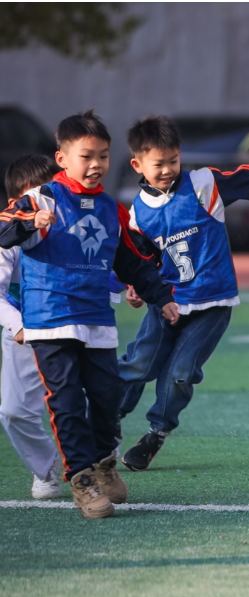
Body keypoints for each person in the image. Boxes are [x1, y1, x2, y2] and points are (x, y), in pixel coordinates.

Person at [0, 110, 178, 519]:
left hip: (96, 319)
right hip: (49, 320)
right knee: (65, 402)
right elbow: (5, 227)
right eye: (86, 156)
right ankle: (81, 480)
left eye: (103, 156)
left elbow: (131, 260)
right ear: (62, 158)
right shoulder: (41, 198)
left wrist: (159, 295)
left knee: (106, 398)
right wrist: (30, 221)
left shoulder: (111, 209)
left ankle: (102, 461)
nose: (96, 165)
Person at [116, 116, 249, 472]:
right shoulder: (137, 214)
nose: (167, 169)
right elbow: (140, 259)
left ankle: (156, 433)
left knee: (179, 373)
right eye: (158, 164)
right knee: (139, 364)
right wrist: (136, 288)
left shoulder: (203, 184)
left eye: (173, 160)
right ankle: (105, 422)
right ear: (137, 165)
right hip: (168, 304)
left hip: (213, 304)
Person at [0, 155, 64, 499]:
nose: (44, 204)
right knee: (12, 411)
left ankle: (98, 462)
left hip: (69, 327)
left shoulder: (71, 222)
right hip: (25, 332)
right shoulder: (6, 234)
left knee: (89, 401)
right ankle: (46, 467)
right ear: (17, 203)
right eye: (33, 198)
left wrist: (130, 285)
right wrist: (18, 326)